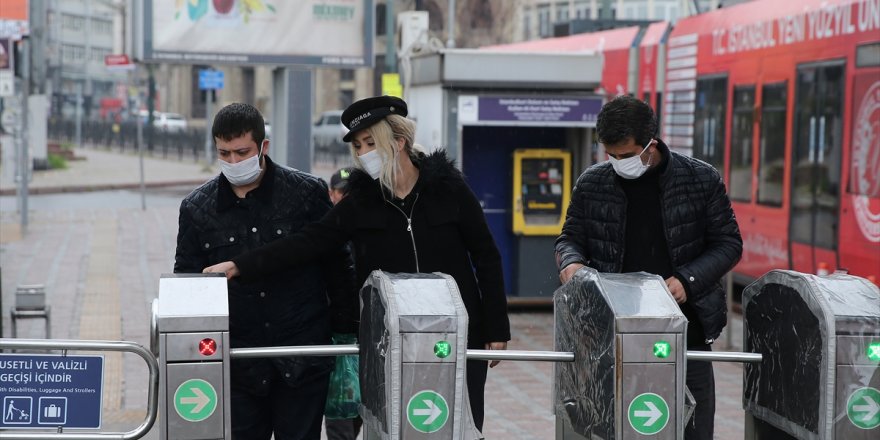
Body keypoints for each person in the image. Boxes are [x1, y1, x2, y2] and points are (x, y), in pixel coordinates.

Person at [204, 95, 511, 432]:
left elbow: (485, 255)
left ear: (399, 141)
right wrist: (240, 265)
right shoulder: (362, 201)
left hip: (456, 331)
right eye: (359, 146)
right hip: (389, 337)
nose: (364, 154)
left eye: (370, 143)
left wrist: (496, 327)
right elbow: (309, 242)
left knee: (459, 425)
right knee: (395, 427)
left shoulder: (449, 189)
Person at [555, 95, 742, 440]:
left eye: (626, 155)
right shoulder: (592, 183)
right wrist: (571, 263)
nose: (617, 162)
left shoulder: (700, 180)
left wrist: (688, 280)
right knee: (613, 427)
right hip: (611, 336)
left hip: (687, 332)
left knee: (692, 428)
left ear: (650, 145)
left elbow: (729, 244)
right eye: (610, 155)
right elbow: (569, 239)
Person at [174, 102, 357, 440]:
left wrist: (344, 336)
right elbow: (188, 284)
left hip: (302, 356)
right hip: (240, 362)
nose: (232, 161)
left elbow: (337, 266)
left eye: (241, 152)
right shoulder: (197, 208)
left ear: (263, 147)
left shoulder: (306, 193)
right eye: (224, 153)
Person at [323, 166, 363, 440]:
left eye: (351, 193)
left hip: (365, 332)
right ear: (331, 193)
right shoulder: (325, 231)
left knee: (361, 412)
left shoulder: (366, 230)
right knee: (340, 417)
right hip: (335, 334)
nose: (346, 198)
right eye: (341, 192)